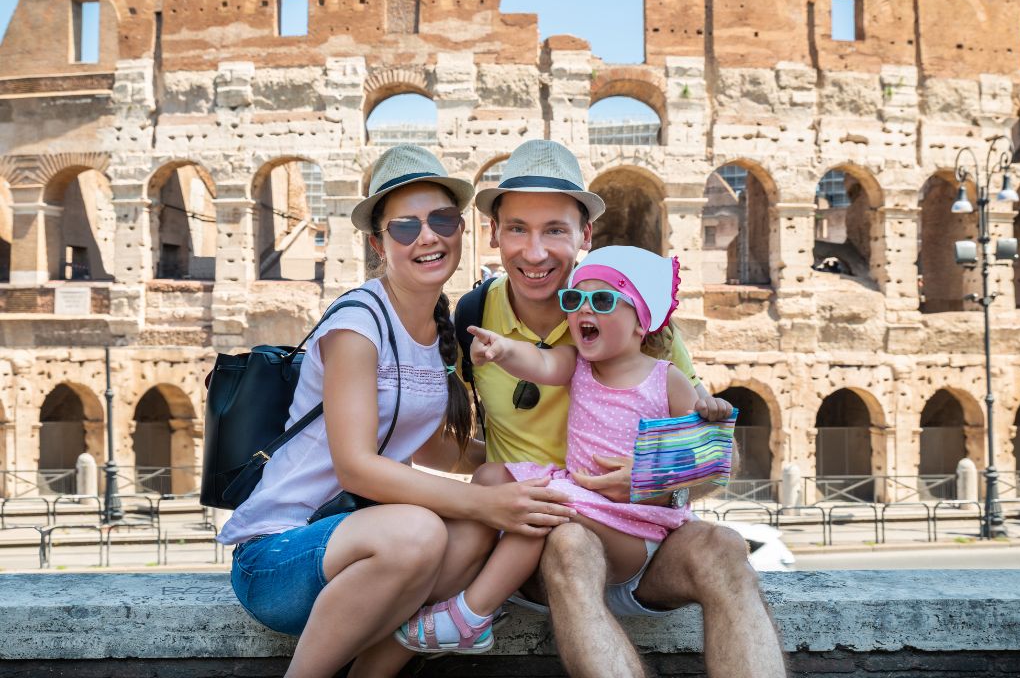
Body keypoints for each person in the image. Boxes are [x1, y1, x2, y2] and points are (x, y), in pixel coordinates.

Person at [216, 145, 573, 678]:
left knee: (476, 523)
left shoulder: (434, 328)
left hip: (352, 547)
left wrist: (535, 469)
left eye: (442, 220)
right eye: (405, 227)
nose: (428, 237)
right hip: (279, 555)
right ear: (378, 243)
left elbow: (431, 445)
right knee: (424, 529)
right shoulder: (357, 325)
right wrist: (488, 503)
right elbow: (357, 467)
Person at [459, 139, 787, 678]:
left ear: (585, 235)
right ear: (493, 233)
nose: (535, 252)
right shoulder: (471, 319)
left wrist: (652, 477)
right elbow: (439, 439)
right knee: (568, 541)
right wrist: (496, 485)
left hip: (643, 539)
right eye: (517, 228)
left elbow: (709, 454)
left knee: (725, 549)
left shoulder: (644, 326)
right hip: (546, 548)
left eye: (555, 230)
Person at [397, 245, 737, 653]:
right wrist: (504, 350)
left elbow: (707, 453)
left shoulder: (666, 378)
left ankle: (472, 613)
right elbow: (539, 364)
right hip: (581, 495)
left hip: (633, 521)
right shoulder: (577, 364)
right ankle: (470, 588)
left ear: (640, 322)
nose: (584, 310)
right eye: (574, 299)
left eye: (604, 300)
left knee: (537, 508)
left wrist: (710, 412)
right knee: (490, 476)